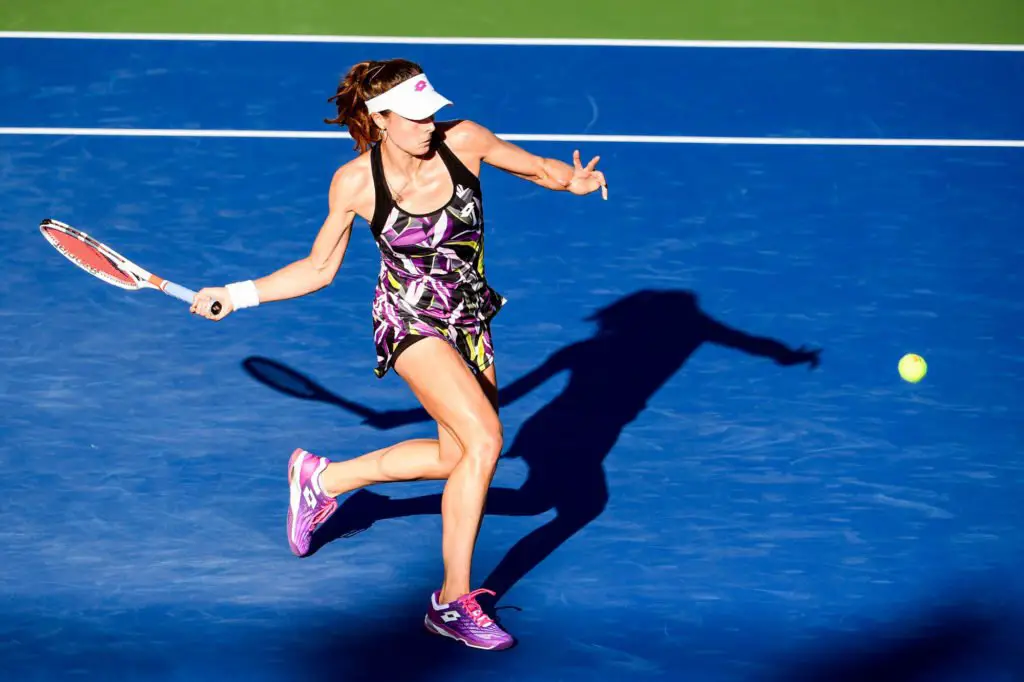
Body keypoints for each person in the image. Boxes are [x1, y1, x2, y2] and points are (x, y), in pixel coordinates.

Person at [190, 57, 607, 651]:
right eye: (414, 117)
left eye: (431, 112)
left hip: (470, 320)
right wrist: (236, 295)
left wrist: (572, 181)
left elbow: (539, 168)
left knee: (455, 457)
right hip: (408, 320)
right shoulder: (356, 183)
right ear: (380, 118)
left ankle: (324, 479)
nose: (428, 125)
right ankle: (451, 603)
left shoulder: (465, 141)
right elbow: (318, 269)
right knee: (485, 441)